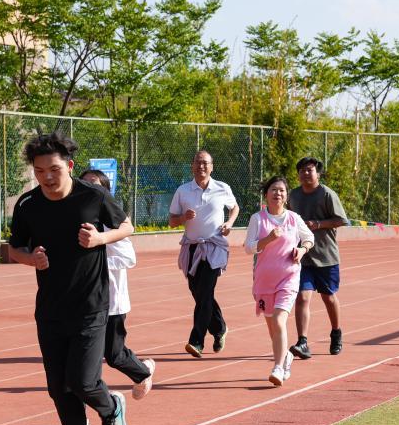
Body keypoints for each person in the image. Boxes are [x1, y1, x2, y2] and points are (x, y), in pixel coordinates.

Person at [7, 133, 135, 425]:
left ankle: (111, 407)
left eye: (54, 169)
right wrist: (30, 259)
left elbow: (126, 226)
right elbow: (14, 248)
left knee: (82, 381)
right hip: (50, 309)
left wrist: (100, 238)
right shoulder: (27, 205)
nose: (47, 177)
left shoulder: (93, 196)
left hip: (91, 305)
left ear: (70, 166)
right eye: (39, 171)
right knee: (58, 388)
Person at [80, 169, 156, 400]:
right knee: (84, 356)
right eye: (84, 184)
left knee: (114, 355)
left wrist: (96, 260)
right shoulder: (77, 221)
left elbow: (129, 258)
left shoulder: (113, 222)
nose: (88, 188)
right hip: (85, 302)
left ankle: (143, 372)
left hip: (112, 302)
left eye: (94, 184)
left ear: (105, 191)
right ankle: (94, 401)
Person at [168, 150, 239, 358]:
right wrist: (183, 217)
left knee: (205, 290)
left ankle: (196, 341)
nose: (201, 166)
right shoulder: (183, 191)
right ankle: (219, 328)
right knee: (199, 292)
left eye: (205, 163)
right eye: (198, 162)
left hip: (214, 247)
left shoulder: (222, 188)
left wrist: (229, 223)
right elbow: (172, 221)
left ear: (212, 166)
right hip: (192, 248)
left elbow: (234, 207)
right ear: (192, 166)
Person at [244, 176, 314, 386]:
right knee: (273, 329)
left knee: (278, 320)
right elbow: (249, 248)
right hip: (264, 281)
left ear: (286, 195)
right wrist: (268, 239)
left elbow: (309, 238)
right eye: (274, 189)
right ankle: (286, 358)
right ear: (266, 194)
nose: (278, 193)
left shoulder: (293, 218)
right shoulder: (258, 219)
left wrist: (302, 250)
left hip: (288, 277)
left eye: (282, 190)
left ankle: (277, 367)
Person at [287, 157, 349, 358]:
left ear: (318, 173)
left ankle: (336, 332)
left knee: (328, 297)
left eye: (310, 170)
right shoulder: (293, 196)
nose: (306, 173)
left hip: (325, 256)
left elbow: (341, 220)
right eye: (302, 170)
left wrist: (319, 224)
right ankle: (302, 342)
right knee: (302, 297)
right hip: (302, 256)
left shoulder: (327, 194)